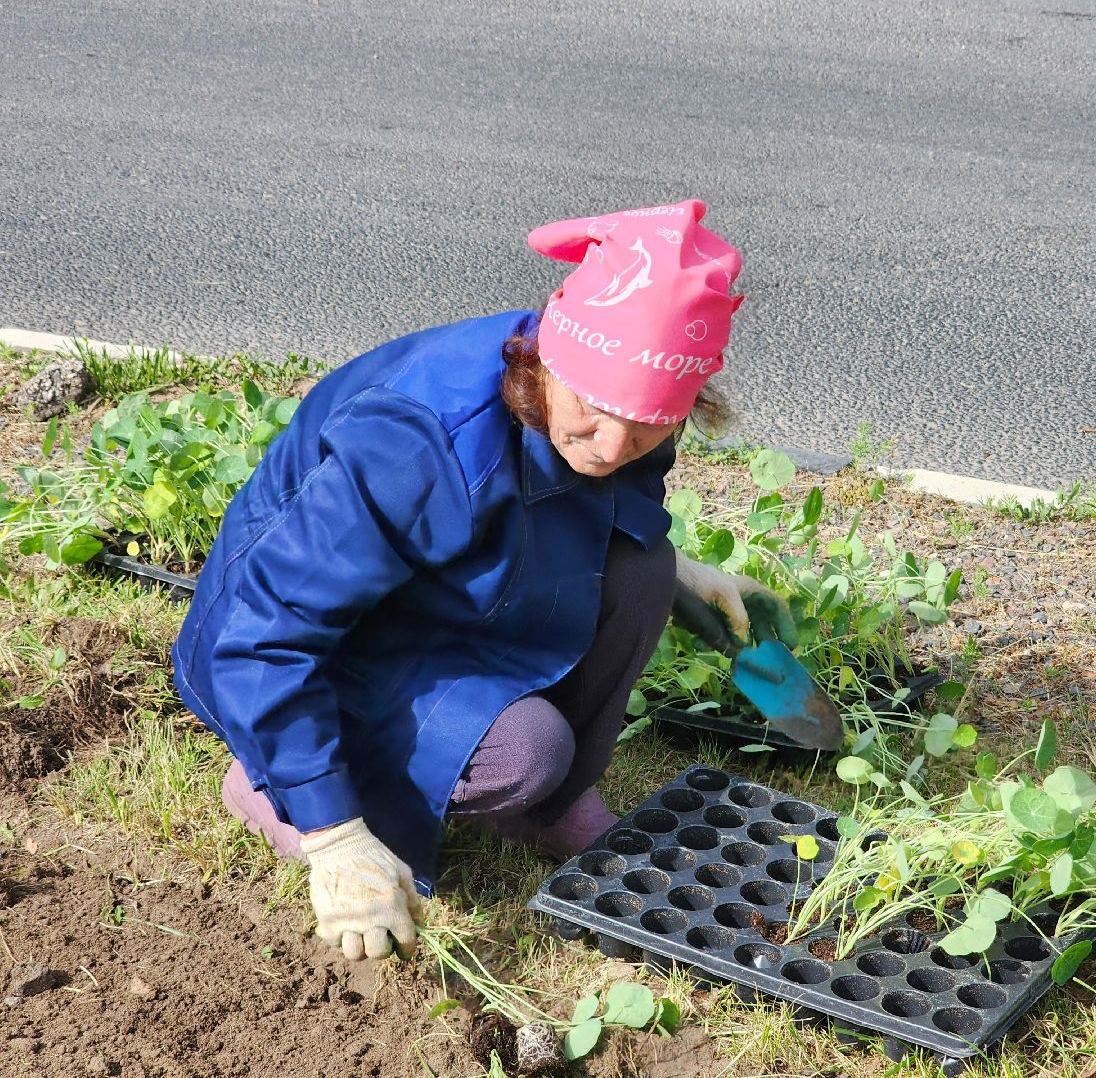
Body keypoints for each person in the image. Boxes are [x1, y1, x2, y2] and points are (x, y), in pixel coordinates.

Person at [171, 199, 787, 962]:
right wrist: (334, 838)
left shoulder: (624, 410)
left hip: (430, 587)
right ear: (550, 361)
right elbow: (265, 638)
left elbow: (614, 490)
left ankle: (546, 810)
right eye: (597, 412)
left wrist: (683, 572)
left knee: (643, 566)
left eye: (653, 423)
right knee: (525, 752)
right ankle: (272, 789)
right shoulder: (417, 443)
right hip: (305, 638)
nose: (617, 445)